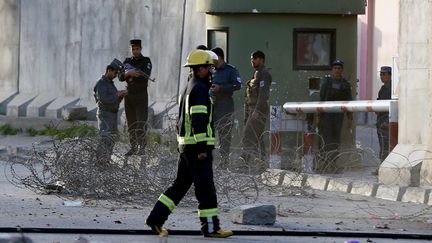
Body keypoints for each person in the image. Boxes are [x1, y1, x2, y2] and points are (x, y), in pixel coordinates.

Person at [145, 50, 233, 238]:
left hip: (187, 147)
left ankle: (155, 219)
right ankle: (211, 228)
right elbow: (198, 120)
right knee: (206, 189)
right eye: (208, 68)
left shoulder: (190, 86)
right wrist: (202, 148)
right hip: (197, 149)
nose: (211, 71)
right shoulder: (200, 89)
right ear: (199, 69)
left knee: (179, 186)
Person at [318, 59, 353, 173]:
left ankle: (333, 164)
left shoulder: (345, 84)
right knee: (325, 139)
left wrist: (349, 118)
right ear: (332, 70)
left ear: (342, 70)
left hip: (338, 116)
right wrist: (318, 116)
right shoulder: (327, 82)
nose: (337, 70)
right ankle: (324, 164)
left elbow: (349, 102)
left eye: (339, 68)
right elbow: (321, 99)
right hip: (326, 115)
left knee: (335, 140)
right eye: (335, 68)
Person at [118, 39, 152, 156]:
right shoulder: (127, 61)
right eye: (133, 49)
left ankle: (141, 147)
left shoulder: (146, 61)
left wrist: (133, 73)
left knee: (141, 123)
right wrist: (128, 73)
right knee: (131, 123)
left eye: (137, 49)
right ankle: (133, 147)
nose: (135, 51)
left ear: (140, 49)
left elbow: (145, 76)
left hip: (141, 95)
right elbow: (120, 76)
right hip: (129, 95)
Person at [239, 50, 272, 172]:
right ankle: (261, 164)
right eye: (251, 58)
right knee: (257, 138)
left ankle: (244, 163)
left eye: (255, 58)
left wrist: (257, 110)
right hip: (252, 109)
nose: (252, 61)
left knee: (248, 135)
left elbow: (263, 94)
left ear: (261, 60)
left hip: (258, 110)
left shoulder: (264, 74)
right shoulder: (257, 73)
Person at [210, 47, 242, 169]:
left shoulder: (230, 70)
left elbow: (237, 85)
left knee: (224, 133)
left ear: (219, 57)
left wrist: (221, 88)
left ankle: (224, 161)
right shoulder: (212, 71)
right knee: (211, 132)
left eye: (213, 58)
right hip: (213, 104)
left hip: (225, 104)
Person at [93, 59, 128, 164]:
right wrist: (117, 94)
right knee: (105, 139)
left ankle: (106, 160)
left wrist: (121, 96)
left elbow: (113, 100)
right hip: (105, 115)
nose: (115, 75)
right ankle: (100, 162)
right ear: (109, 70)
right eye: (115, 72)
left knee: (111, 140)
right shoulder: (101, 83)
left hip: (112, 115)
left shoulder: (110, 84)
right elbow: (104, 99)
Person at [376, 66, 392, 161]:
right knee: (383, 145)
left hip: (386, 121)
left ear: (390, 75)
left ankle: (383, 166)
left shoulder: (391, 89)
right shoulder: (383, 88)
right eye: (381, 74)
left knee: (385, 146)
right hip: (381, 121)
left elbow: (393, 106)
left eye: (384, 74)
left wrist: (388, 121)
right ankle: (382, 166)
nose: (382, 76)